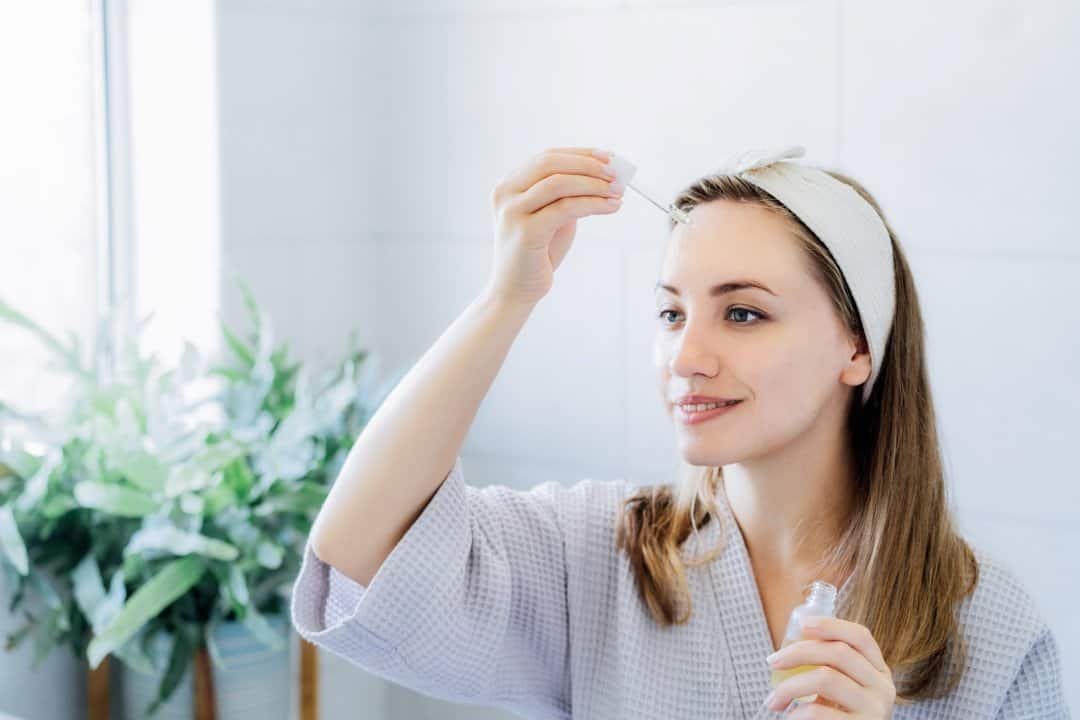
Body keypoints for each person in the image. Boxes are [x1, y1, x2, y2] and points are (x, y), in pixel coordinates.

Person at [290, 146, 1070, 718]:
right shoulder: (601, 554)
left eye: (743, 313)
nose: (686, 358)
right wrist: (506, 298)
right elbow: (359, 557)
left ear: (858, 347)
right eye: (671, 313)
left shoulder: (988, 628)